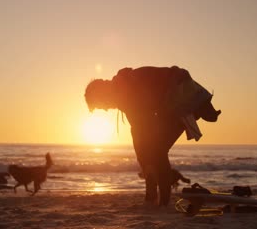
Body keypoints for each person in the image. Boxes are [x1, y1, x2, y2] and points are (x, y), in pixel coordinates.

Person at [84, 66, 221, 206]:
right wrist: (144, 160)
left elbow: (142, 125)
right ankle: (153, 196)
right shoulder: (123, 85)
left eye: (102, 105)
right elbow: (138, 129)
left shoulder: (124, 90)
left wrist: (146, 160)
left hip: (183, 95)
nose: (106, 109)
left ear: (102, 93)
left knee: (157, 150)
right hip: (180, 94)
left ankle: (161, 201)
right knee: (150, 149)